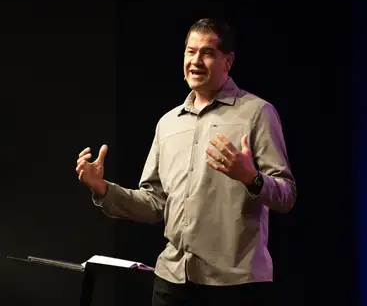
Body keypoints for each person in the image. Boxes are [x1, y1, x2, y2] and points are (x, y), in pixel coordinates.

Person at [76, 18, 296, 306]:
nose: (196, 61)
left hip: (234, 285)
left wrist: (251, 178)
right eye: (190, 51)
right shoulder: (168, 123)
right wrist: (103, 189)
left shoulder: (257, 113)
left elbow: (286, 195)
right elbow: (154, 203)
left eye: (207, 53)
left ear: (228, 61)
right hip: (172, 282)